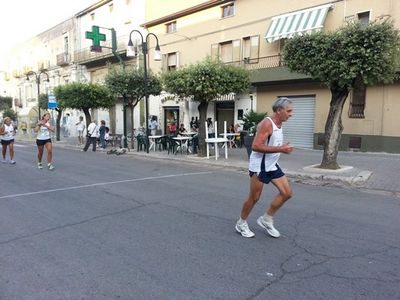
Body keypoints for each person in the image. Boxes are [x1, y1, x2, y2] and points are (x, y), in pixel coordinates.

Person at [235, 97, 294, 238]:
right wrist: (281, 149)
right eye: (289, 111)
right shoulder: (268, 124)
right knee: (254, 198)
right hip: (259, 167)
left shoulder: (279, 123)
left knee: (287, 193)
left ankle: (266, 219)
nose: (291, 114)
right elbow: (255, 146)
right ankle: (241, 223)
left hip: (271, 165)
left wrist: (281, 148)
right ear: (279, 111)